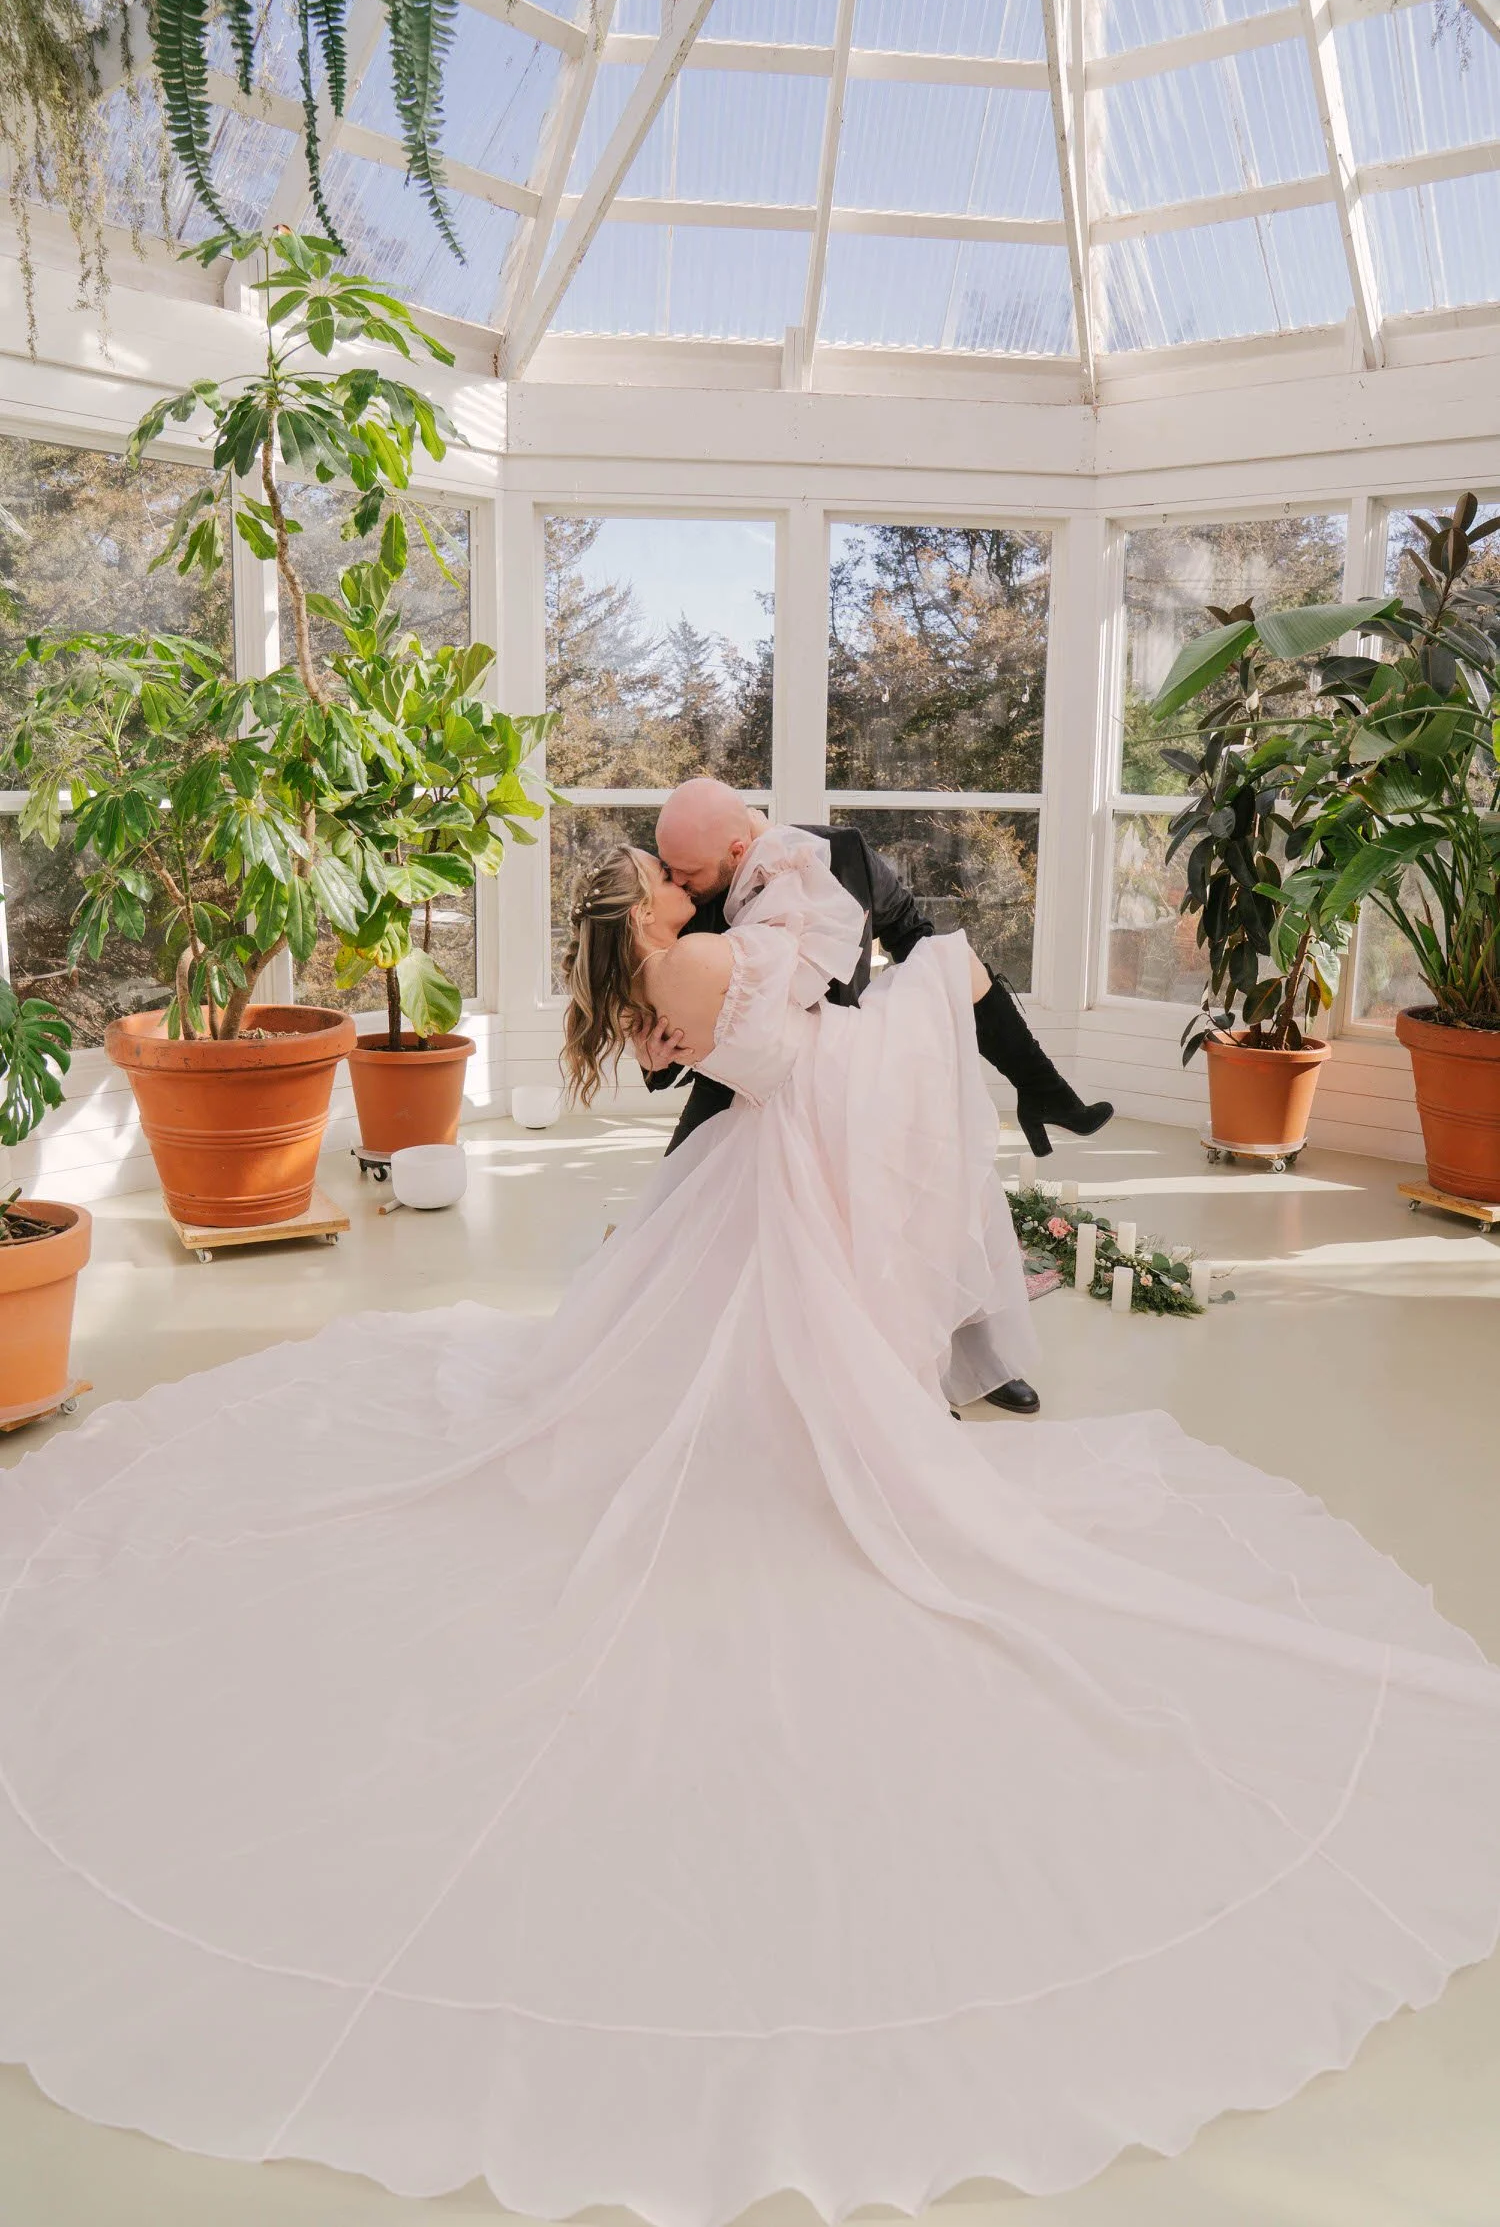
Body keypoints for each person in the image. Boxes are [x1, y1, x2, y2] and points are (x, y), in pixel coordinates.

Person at [0, 838, 1495, 2226]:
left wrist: (845, 940)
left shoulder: (669, 973)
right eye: (663, 876)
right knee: (797, 1318)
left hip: (764, 1162)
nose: (679, 879)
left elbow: (758, 1008)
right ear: (644, 909)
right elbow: (809, 1005)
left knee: (741, 1330)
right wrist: (913, 968)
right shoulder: (704, 962)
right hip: (796, 1149)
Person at [641, 776, 1114, 1166]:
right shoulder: (686, 903)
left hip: (840, 1069)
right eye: (668, 867)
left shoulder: (840, 854)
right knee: (668, 1219)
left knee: (952, 958)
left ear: (738, 850)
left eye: (688, 871)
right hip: (742, 1082)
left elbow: (912, 933)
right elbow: (672, 1020)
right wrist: (655, 1060)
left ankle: (1042, 1090)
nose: (676, 881)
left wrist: (910, 1040)